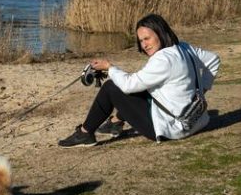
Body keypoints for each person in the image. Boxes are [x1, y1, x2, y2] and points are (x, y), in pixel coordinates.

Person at [58, 14, 220, 147]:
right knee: (142, 85)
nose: (144, 45)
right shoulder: (184, 48)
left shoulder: (163, 59)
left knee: (111, 88)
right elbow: (213, 60)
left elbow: (128, 85)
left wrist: (109, 67)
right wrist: (201, 91)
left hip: (174, 129)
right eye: (141, 41)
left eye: (147, 38)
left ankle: (85, 133)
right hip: (197, 120)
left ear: (160, 33)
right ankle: (115, 122)